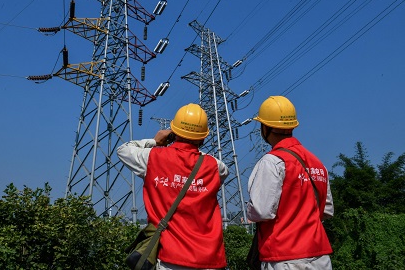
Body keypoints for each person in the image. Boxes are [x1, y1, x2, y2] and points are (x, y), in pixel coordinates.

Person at [117, 103, 228, 270]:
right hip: (209, 258)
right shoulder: (215, 167)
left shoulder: (153, 158)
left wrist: (155, 141)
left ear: (174, 131)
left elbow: (124, 150)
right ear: (203, 137)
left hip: (170, 258)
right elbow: (220, 169)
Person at [247, 95, 334, 270]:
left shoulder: (272, 162)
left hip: (284, 256)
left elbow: (261, 211)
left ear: (265, 127)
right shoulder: (318, 164)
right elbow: (326, 210)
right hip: (319, 256)